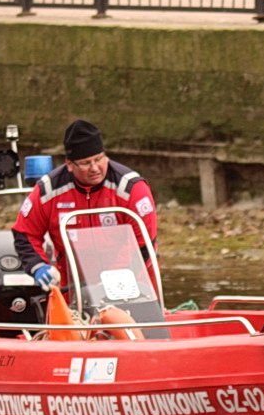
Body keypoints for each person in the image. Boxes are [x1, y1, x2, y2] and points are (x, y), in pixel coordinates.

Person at [12, 119, 158, 294]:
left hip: (132, 285)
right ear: (70, 165)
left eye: (99, 159)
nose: (95, 168)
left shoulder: (131, 188)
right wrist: (38, 266)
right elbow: (25, 234)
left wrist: (112, 281)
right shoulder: (48, 191)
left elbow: (144, 243)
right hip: (73, 289)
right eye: (86, 163)